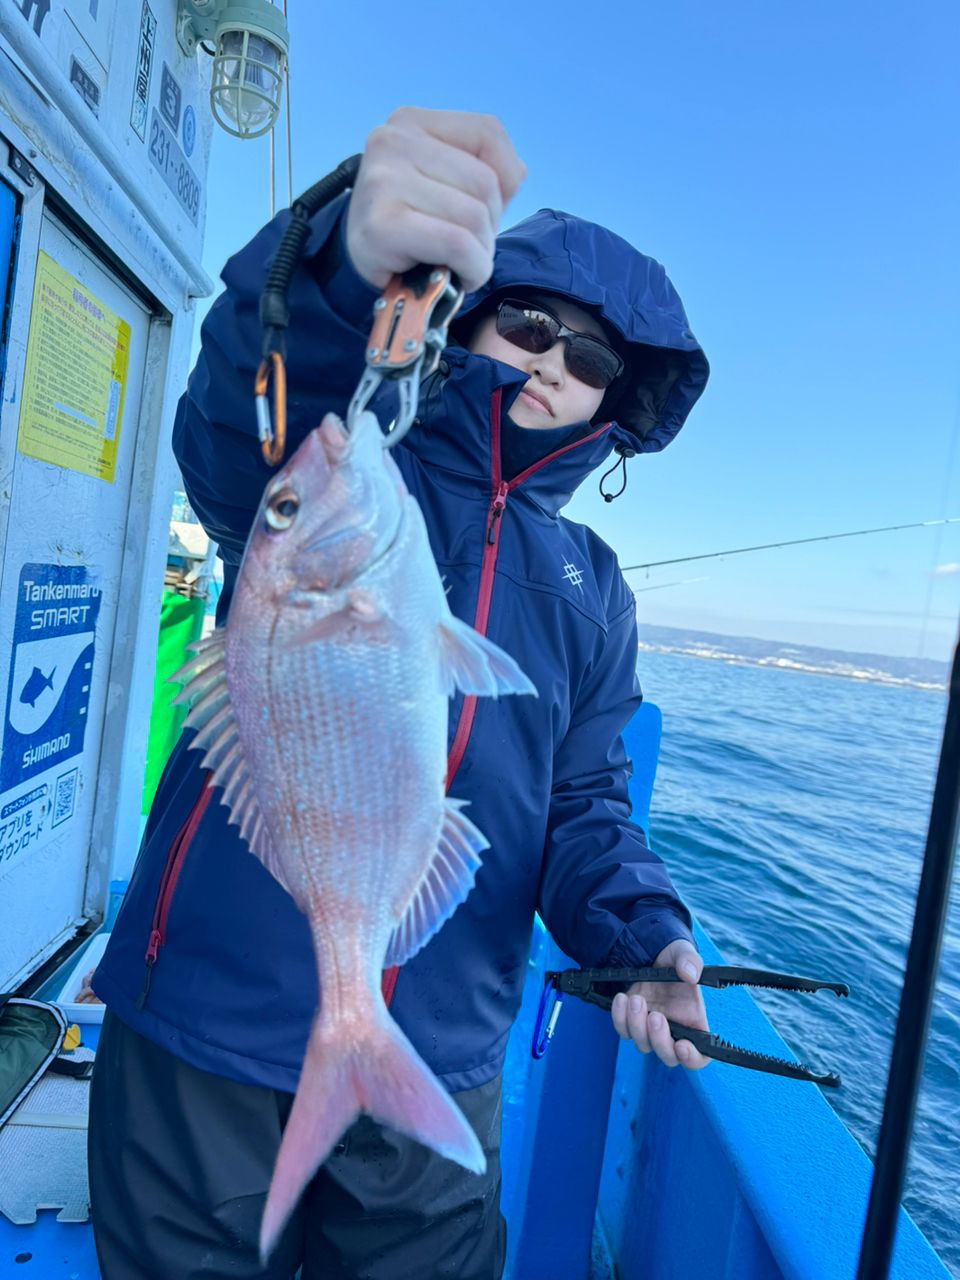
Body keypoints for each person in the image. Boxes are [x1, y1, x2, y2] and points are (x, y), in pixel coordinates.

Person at [88, 107, 711, 1280]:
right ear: (469, 316)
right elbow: (241, 409)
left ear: (612, 410)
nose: (548, 363)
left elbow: (585, 800)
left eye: (590, 363)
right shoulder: (343, 456)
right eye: (527, 324)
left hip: (439, 1047)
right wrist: (340, 264)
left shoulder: (593, 593)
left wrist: (641, 934)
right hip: (207, 1021)